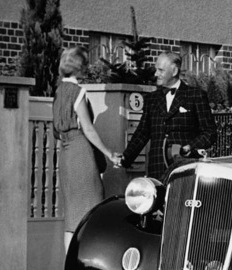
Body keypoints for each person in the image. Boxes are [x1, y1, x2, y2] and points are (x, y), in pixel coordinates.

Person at [53, 47, 121, 252]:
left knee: (72, 217)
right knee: (92, 209)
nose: (87, 68)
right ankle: (86, 262)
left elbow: (56, 131)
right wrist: (109, 153)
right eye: (84, 64)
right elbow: (88, 129)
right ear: (79, 67)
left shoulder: (59, 91)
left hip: (66, 154)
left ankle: (69, 265)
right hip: (80, 152)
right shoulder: (78, 91)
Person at [119, 51, 217, 180]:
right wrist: (125, 158)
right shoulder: (152, 99)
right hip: (157, 169)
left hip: (185, 168)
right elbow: (142, 133)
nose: (156, 74)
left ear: (174, 71)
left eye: (161, 70)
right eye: (156, 70)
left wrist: (190, 147)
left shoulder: (195, 95)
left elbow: (210, 132)